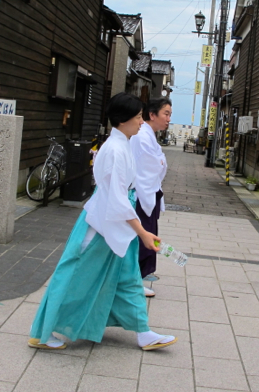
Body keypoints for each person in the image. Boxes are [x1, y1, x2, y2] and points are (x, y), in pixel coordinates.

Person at [28, 93, 177, 352]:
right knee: (75, 276)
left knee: (128, 277)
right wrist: (142, 232)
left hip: (115, 222)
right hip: (101, 226)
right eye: (138, 117)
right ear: (123, 119)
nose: (141, 122)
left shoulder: (120, 144)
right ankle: (43, 332)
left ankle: (143, 332)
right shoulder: (116, 149)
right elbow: (118, 199)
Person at [130, 98, 172, 296]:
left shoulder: (149, 136)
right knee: (142, 241)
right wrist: (160, 162)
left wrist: (160, 162)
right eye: (166, 113)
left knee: (148, 239)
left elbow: (159, 164)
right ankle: (132, 283)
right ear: (152, 115)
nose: (168, 119)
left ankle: (135, 281)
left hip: (149, 194)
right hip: (142, 195)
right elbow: (153, 166)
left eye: (170, 114)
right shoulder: (141, 136)